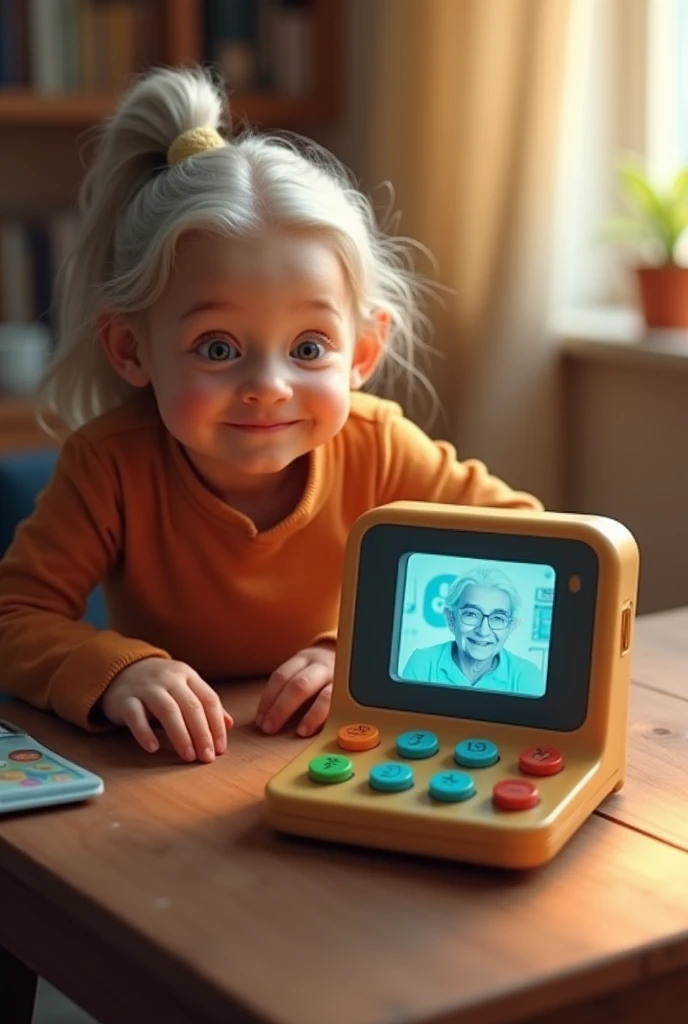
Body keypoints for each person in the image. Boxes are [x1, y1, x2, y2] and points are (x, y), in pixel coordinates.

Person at [0, 67, 542, 765]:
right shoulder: (110, 464)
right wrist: (118, 669)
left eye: (309, 347)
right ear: (133, 349)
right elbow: (13, 618)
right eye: (218, 347)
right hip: (171, 777)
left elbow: (533, 549)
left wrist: (358, 654)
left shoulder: (379, 447)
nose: (268, 386)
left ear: (364, 350)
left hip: (336, 756)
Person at [402, 567, 545, 695]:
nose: (483, 631)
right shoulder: (423, 663)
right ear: (451, 618)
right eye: (471, 614)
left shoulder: (528, 676)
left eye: (497, 618)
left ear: (511, 627)